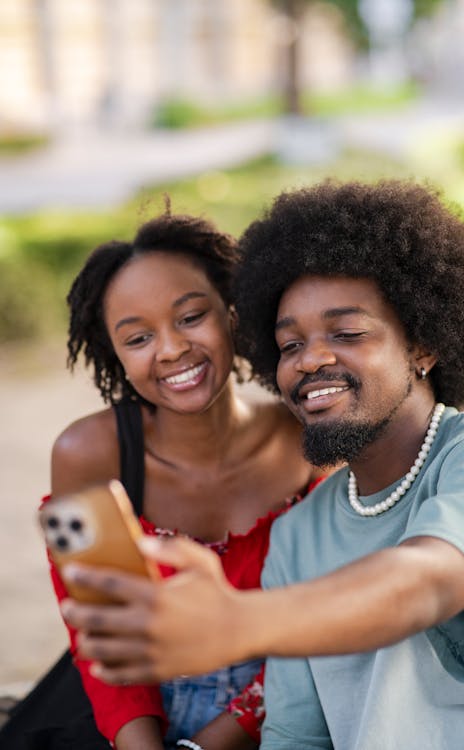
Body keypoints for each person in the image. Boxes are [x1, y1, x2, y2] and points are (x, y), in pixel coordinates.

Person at [60, 180, 464, 749]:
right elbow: (294, 734)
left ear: (423, 344)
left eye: (346, 333)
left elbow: (428, 580)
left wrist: (237, 623)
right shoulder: (299, 533)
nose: (312, 358)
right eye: (290, 345)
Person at [34, 202, 321, 750]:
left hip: (285, 715)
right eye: (138, 338)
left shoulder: (306, 440)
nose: (171, 349)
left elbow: (319, 628)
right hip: (133, 724)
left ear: (232, 313)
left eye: (191, 317)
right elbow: (99, 633)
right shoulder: (85, 455)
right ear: (114, 355)